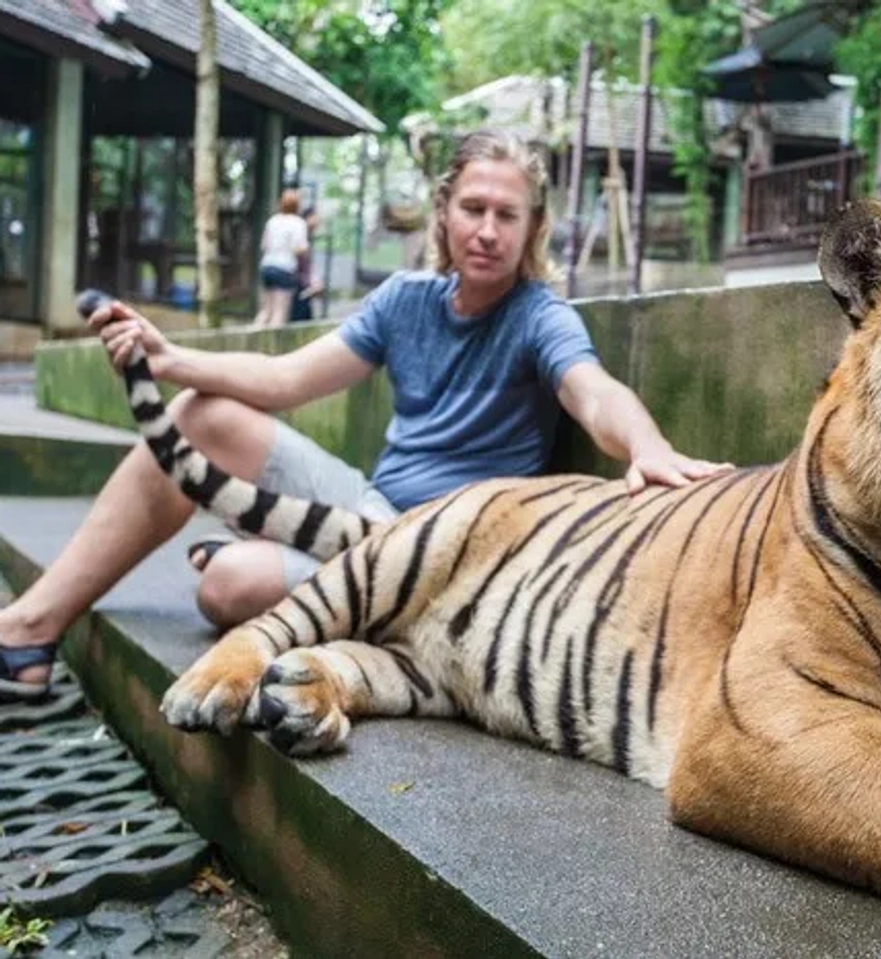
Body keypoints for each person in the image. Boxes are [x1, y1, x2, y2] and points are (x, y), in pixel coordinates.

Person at [0, 130, 730, 701]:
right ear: (444, 211)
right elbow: (285, 378)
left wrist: (647, 444)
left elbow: (592, 389)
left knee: (228, 591)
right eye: (473, 208)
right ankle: (31, 628)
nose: (487, 230)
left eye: (507, 215)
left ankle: (260, 541)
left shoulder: (541, 315)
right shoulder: (403, 301)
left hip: (443, 556)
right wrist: (169, 358)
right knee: (201, 413)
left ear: (531, 226)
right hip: (368, 507)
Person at [252, 188, 309, 329]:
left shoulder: (273, 220)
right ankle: (272, 350)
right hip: (285, 269)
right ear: (297, 205)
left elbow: (264, 245)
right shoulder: (298, 222)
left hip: (267, 266)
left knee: (265, 311)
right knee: (279, 313)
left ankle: (250, 343)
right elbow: (300, 248)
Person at [289, 207, 323, 323]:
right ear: (308, 217)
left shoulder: (308, 235)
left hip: (303, 285)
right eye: (316, 217)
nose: (319, 220)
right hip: (295, 283)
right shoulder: (300, 231)